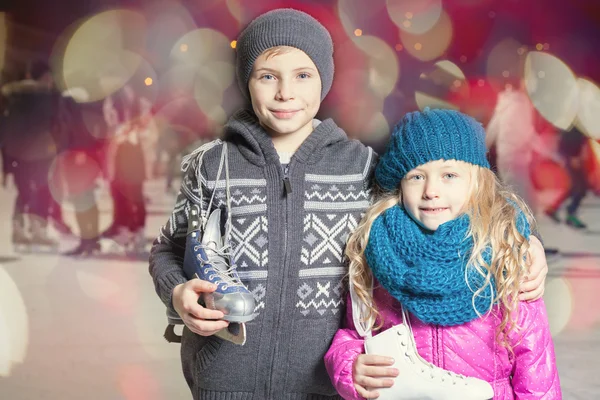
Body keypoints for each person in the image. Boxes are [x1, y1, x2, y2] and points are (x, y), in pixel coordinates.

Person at [149, 9, 550, 400]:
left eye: (303, 76)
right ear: (246, 81)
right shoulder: (211, 164)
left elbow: (444, 211)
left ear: (323, 81)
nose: (285, 92)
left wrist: (523, 243)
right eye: (267, 76)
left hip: (327, 382)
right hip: (224, 378)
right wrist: (179, 291)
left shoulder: (361, 167)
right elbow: (169, 247)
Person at [324, 109, 560, 399]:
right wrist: (349, 366)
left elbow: (535, 362)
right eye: (416, 176)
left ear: (477, 181)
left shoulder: (504, 253)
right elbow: (354, 332)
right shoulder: (377, 253)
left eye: (449, 175)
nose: (431, 190)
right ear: (399, 183)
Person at [544, 126, 589, 229]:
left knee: (574, 187)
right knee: (580, 188)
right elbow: (569, 138)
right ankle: (570, 215)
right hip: (571, 156)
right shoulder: (576, 119)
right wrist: (574, 155)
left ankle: (553, 209)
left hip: (571, 155)